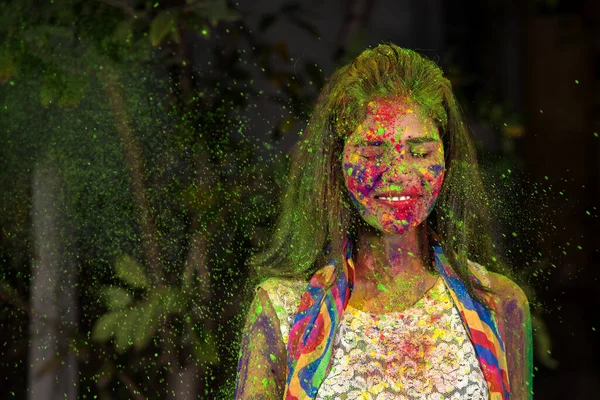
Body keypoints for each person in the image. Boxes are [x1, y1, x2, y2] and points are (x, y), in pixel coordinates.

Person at [234, 43, 533, 400]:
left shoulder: (498, 305)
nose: (398, 173)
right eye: (373, 152)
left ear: (447, 159)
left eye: (420, 152)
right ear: (336, 161)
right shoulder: (284, 310)